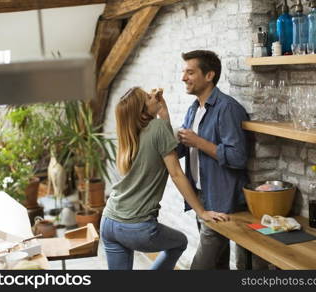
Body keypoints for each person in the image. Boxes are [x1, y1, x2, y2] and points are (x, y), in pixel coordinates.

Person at [100, 86, 229, 270]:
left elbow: (161, 142)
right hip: (137, 227)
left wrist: (163, 113)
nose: (153, 96)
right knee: (180, 242)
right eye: (148, 97)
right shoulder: (157, 128)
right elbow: (176, 173)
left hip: (109, 222)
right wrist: (202, 212)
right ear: (142, 111)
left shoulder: (129, 133)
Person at [176, 50, 256, 270]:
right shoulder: (194, 109)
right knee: (218, 266)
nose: (184, 78)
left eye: (190, 72)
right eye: (184, 72)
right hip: (201, 196)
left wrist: (199, 142)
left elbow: (238, 157)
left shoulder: (228, 108)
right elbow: (183, 148)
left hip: (223, 201)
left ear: (209, 75)